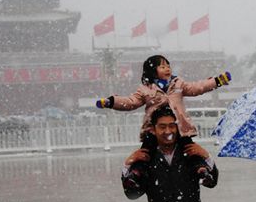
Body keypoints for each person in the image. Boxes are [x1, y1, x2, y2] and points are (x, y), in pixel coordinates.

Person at [97, 54, 231, 172]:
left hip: (179, 127)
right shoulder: (145, 89)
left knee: (190, 149)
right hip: (154, 128)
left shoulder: (178, 84)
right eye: (162, 67)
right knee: (146, 152)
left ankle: (201, 169)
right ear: (152, 71)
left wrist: (217, 81)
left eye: (168, 66)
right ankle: (136, 173)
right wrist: (112, 102)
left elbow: (197, 87)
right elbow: (131, 102)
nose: (167, 69)